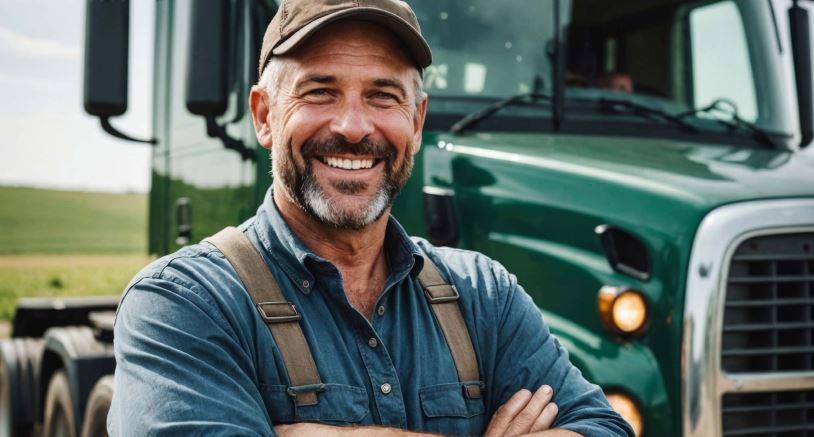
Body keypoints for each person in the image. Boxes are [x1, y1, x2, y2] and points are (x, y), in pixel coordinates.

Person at [108, 1, 634, 436]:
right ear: (265, 115)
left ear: (417, 120)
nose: (355, 127)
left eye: (383, 96)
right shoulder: (183, 304)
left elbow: (602, 428)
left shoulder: (484, 295)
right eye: (320, 92)